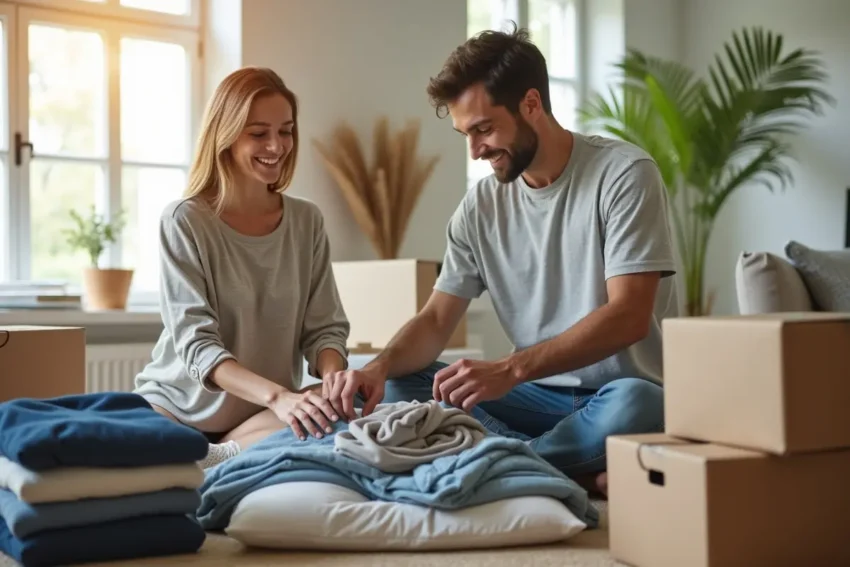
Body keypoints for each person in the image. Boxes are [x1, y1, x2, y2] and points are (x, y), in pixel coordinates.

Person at [322, 26, 679, 496]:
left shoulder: (624, 174)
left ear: (531, 104)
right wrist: (378, 367)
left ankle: (496, 461)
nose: (475, 152)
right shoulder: (479, 208)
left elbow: (629, 315)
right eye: (465, 135)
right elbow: (435, 320)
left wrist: (510, 369)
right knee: (397, 383)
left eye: (484, 129)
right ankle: (557, 468)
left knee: (640, 403)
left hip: (616, 394)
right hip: (532, 397)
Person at [134, 67, 350, 469]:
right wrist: (279, 396)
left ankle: (218, 458)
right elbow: (198, 345)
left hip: (261, 417)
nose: (276, 145)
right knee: (139, 446)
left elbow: (325, 329)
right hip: (177, 410)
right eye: (258, 133)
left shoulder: (306, 221)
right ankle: (215, 458)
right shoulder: (184, 220)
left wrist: (335, 378)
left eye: (286, 131)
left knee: (330, 408)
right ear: (227, 135)